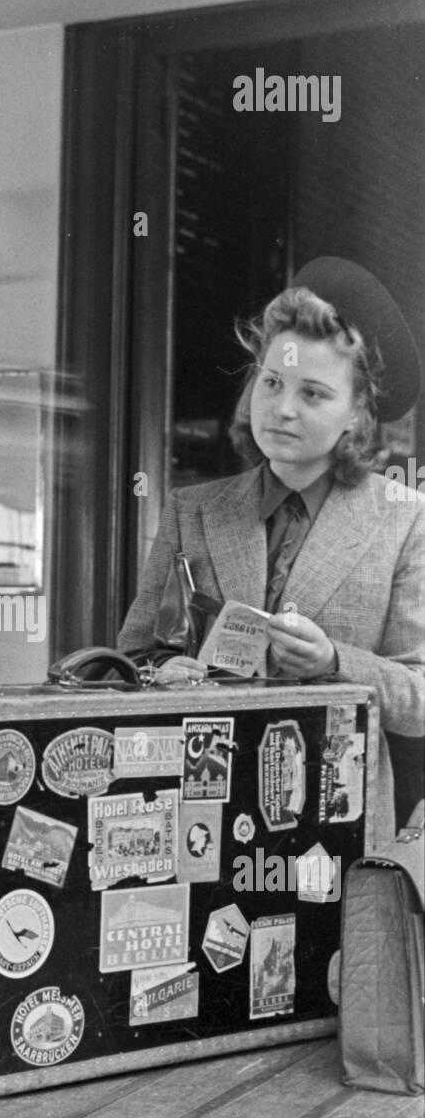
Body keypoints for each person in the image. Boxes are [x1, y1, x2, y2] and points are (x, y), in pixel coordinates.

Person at [118, 257, 424, 848]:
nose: (282, 409)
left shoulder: (405, 521)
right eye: (272, 382)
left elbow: (418, 698)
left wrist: (334, 661)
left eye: (313, 393)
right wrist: (160, 673)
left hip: (336, 836)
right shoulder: (193, 510)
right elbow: (134, 658)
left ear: (357, 414)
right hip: (199, 829)